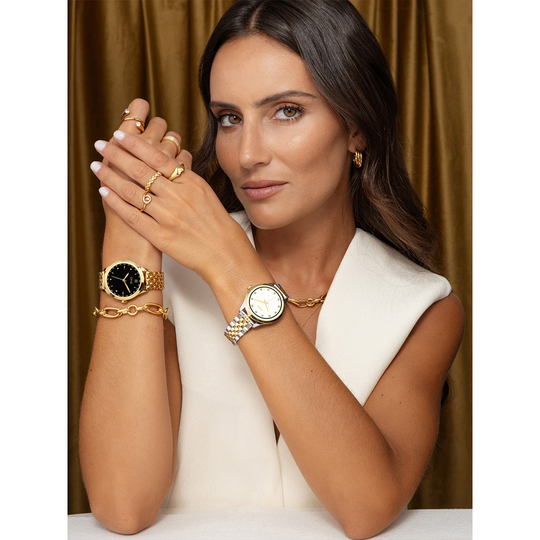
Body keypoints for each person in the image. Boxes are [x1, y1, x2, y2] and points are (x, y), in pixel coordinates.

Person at [78, 0, 465, 538]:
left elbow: (367, 506)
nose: (247, 154)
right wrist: (131, 237)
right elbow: (123, 506)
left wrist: (229, 263)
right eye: (229, 118)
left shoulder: (421, 306)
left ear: (356, 127)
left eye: (286, 111)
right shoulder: (168, 279)